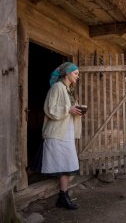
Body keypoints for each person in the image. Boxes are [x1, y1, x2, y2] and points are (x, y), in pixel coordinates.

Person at [41, 62, 82, 210]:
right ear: (67, 74)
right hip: (57, 133)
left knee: (69, 165)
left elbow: (69, 110)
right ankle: (63, 197)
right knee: (66, 165)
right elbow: (50, 109)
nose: (78, 76)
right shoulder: (57, 87)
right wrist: (69, 109)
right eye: (75, 73)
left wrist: (77, 110)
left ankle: (63, 196)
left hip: (67, 132)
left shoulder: (68, 90)